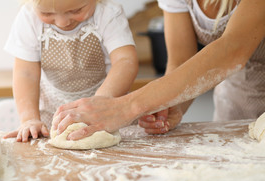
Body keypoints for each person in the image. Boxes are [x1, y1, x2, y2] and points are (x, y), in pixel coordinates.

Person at [52, 0, 265, 140]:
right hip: (239, 103)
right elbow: (182, 60)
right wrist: (172, 104)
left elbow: (233, 51)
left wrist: (127, 107)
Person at [3, 0, 138, 142]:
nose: (62, 22)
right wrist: (29, 119)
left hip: (106, 107)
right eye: (47, 13)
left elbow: (125, 62)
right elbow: (26, 73)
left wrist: (99, 103)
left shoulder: (108, 14)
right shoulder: (29, 18)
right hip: (53, 113)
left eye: (76, 11)